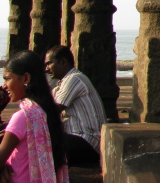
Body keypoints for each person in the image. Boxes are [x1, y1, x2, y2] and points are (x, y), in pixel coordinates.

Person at [0, 50, 68, 183]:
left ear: (26, 78)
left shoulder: (22, 117)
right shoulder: (46, 111)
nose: (5, 86)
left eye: (8, 78)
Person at [44, 45, 106, 164]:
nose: (46, 68)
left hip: (87, 140)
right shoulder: (62, 83)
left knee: (41, 144)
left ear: (63, 62)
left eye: (49, 63)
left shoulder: (75, 79)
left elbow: (52, 111)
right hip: (77, 139)